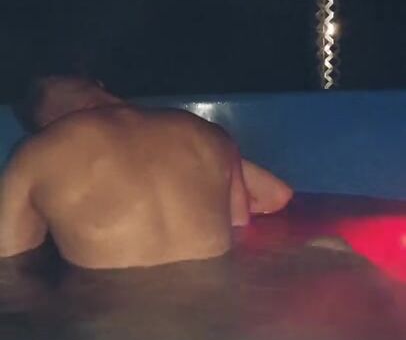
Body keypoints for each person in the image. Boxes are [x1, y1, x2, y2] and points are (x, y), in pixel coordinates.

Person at [0, 76, 293, 269]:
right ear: (99, 88)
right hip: (219, 307)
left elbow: (10, 263)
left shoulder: (35, 153)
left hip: (118, 320)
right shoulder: (207, 134)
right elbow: (242, 224)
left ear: (43, 124)